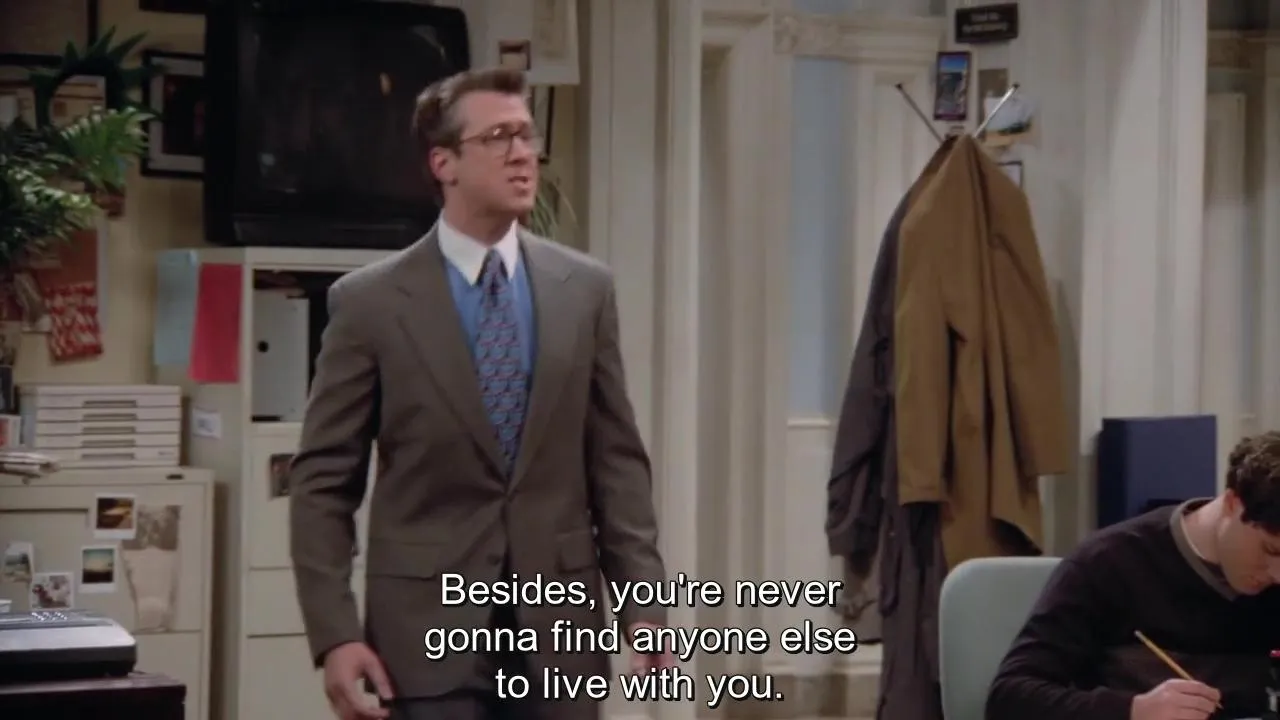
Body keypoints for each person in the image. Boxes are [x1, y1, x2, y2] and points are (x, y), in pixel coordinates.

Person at [289, 67, 670, 720]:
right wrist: (336, 635)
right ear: (444, 163)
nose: (522, 154)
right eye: (498, 138)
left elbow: (617, 464)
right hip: (424, 640)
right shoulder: (371, 303)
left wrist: (644, 606)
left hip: (559, 635)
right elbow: (323, 483)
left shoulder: (584, 291)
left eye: (526, 135)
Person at [986, 433, 1280, 720]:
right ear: (1232, 503)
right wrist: (1133, 710)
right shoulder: (1109, 563)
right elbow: (1009, 697)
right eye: (1270, 550)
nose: (1277, 576)